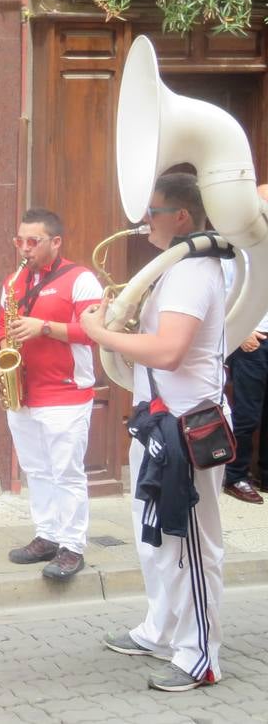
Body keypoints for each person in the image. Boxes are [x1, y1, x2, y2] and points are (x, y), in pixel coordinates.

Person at [81, 172, 227, 692]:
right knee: (160, 540)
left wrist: (100, 332)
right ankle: (162, 630)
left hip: (186, 425)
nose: (145, 220)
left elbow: (169, 350)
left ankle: (199, 657)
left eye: (155, 210)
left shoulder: (190, 272)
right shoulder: (176, 268)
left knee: (191, 545)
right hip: (163, 421)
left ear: (182, 217)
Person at [0, 208, 103, 580]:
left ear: (55, 242)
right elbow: (1, 331)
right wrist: (5, 347)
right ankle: (47, 534)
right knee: (37, 470)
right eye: (19, 241)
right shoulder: (13, 283)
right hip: (24, 393)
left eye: (33, 241)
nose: (24, 248)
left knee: (66, 472)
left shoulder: (81, 279)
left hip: (66, 393)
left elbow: (93, 333)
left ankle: (72, 546)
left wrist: (43, 328)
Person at [220, 184, 268, 504]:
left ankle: (263, 474)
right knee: (247, 414)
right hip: (250, 341)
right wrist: (240, 332)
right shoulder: (235, 247)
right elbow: (223, 294)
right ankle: (234, 476)